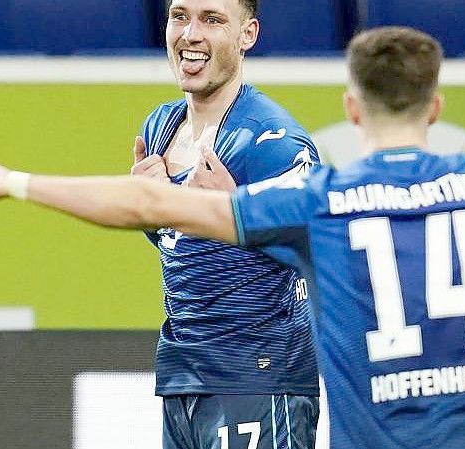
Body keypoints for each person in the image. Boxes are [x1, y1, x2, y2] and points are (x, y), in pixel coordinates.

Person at [0, 27, 465, 449]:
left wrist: (11, 179)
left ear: (352, 109)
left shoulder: (318, 204)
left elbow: (145, 201)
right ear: (435, 102)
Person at [111, 0, 319, 448]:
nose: (189, 35)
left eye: (212, 19)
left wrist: (238, 213)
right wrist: (154, 213)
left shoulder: (274, 143)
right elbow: (184, 247)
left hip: (258, 376)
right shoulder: (160, 125)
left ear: (248, 35)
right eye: (180, 16)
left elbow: (322, 250)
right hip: (182, 374)